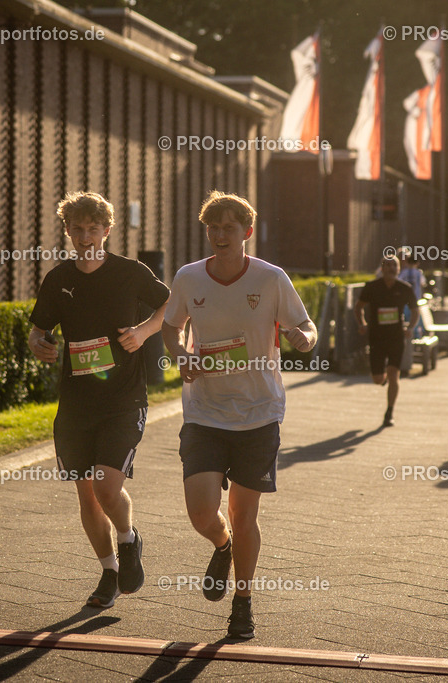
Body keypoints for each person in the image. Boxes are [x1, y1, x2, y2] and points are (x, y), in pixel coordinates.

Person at [161, 190, 316, 640]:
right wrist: (180, 356)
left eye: (229, 227)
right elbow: (171, 326)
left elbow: (305, 326)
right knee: (201, 511)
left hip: (258, 412)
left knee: (244, 514)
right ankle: (221, 543)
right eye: (213, 227)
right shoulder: (189, 278)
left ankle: (243, 603)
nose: (219, 235)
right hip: (204, 412)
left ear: (247, 232)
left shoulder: (270, 278)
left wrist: (304, 338)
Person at [28, 191, 169, 609]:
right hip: (75, 404)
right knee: (86, 494)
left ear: (107, 230)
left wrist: (143, 332)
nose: (86, 236)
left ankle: (128, 539)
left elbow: (172, 306)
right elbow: (38, 330)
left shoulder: (130, 272)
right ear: (68, 231)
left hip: (124, 400)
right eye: (78, 229)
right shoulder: (58, 279)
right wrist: (40, 344)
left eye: (94, 229)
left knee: (108, 486)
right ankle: (108, 572)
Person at [354, 255, 418, 427]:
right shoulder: (372, 287)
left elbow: (415, 310)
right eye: (387, 265)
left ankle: (389, 412)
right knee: (377, 379)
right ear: (381, 269)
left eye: (394, 265)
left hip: (396, 337)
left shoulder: (405, 288)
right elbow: (358, 307)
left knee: (393, 374)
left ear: (399, 269)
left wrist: (410, 328)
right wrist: (362, 323)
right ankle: (383, 380)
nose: (391, 268)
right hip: (376, 337)